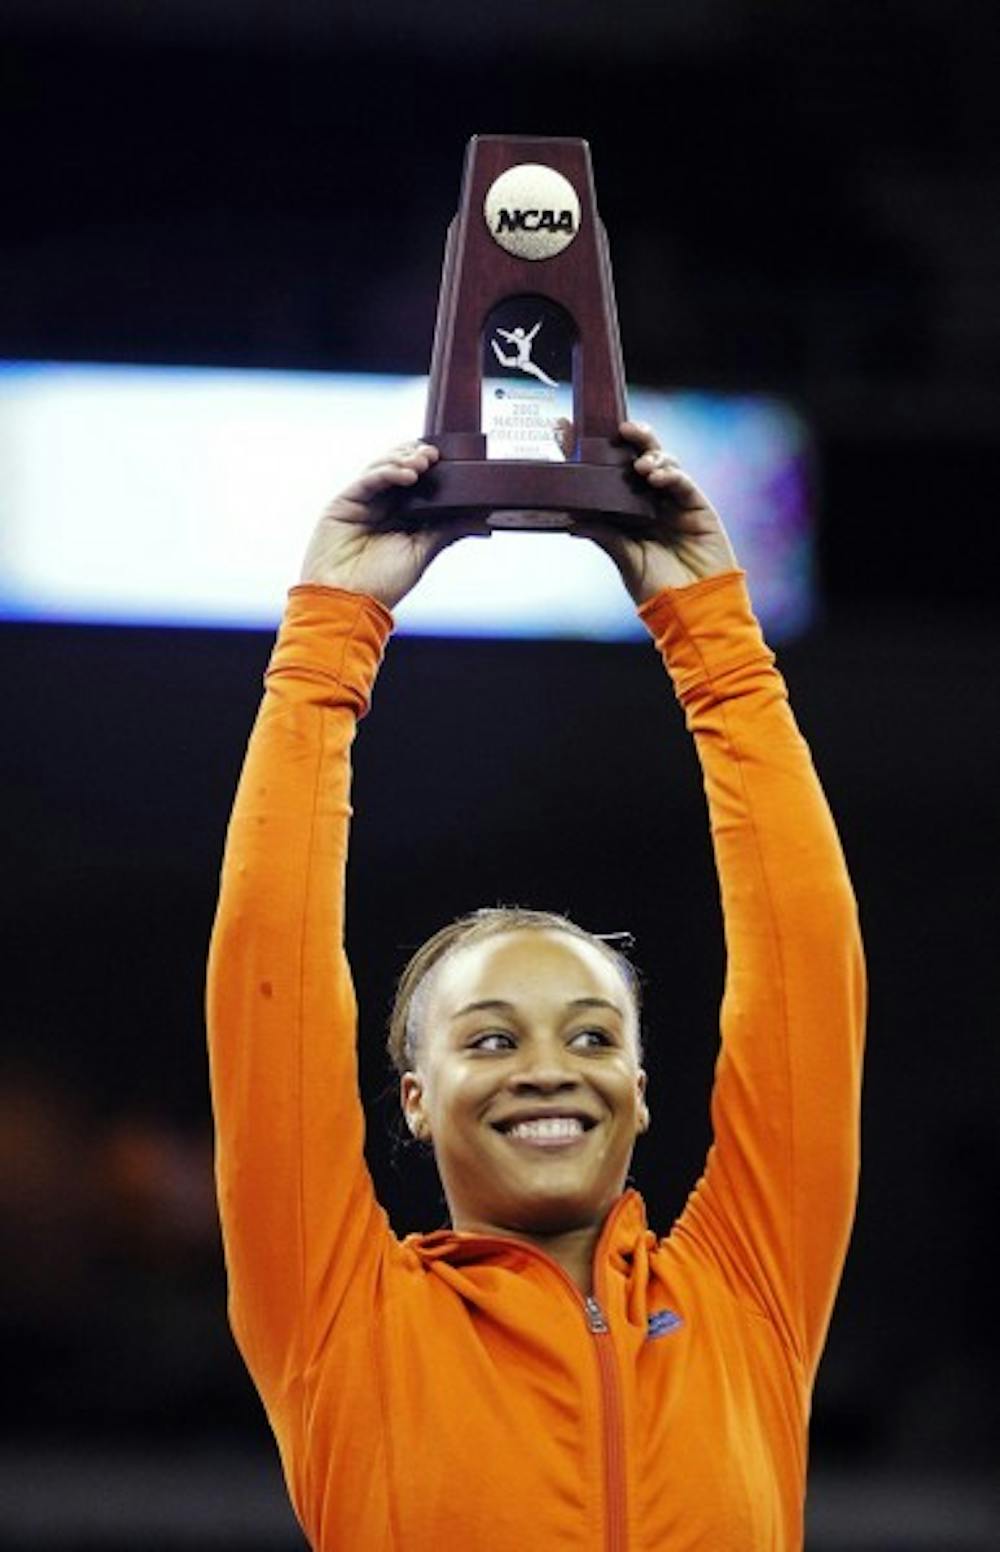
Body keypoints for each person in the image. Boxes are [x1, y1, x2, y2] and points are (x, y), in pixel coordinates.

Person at [206, 422, 865, 1550]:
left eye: (594, 1036)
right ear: (413, 1093)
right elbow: (271, 979)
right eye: (493, 1040)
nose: (552, 1069)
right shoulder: (340, 1322)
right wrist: (327, 638)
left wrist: (715, 637)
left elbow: (804, 974)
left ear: (645, 1085)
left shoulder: (749, 1296)